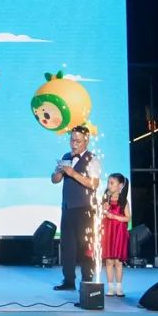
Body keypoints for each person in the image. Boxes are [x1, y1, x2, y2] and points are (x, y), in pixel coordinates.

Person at [51, 125, 101, 291]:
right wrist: (60, 172)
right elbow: (54, 180)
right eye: (72, 140)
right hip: (67, 208)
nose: (74, 144)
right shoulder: (66, 157)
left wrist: (73, 173)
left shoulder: (92, 159)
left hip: (85, 209)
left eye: (77, 141)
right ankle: (69, 281)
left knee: (85, 246)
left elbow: (94, 184)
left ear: (86, 140)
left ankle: (87, 280)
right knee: (68, 246)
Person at [101, 172, 131, 297]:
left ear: (120, 185)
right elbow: (100, 215)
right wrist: (103, 209)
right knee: (109, 261)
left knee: (118, 262)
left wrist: (113, 216)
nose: (109, 185)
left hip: (119, 233)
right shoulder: (105, 199)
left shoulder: (123, 201)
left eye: (112, 183)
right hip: (108, 233)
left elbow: (127, 218)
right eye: (108, 182)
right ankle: (110, 287)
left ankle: (119, 287)